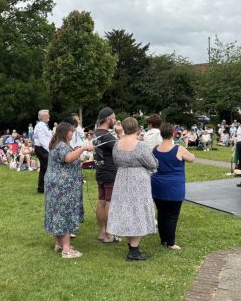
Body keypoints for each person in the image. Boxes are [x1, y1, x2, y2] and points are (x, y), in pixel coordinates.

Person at [107, 117, 158, 261]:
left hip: (122, 178)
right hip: (137, 180)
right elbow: (152, 164)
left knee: (127, 210)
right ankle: (134, 251)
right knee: (137, 211)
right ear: (136, 128)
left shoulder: (117, 144)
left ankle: (132, 246)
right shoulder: (140, 145)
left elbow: (116, 161)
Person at [44, 122, 94, 258]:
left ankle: (59, 243)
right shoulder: (61, 145)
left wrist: (77, 150)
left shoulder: (57, 144)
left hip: (55, 184)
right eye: (71, 131)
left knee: (56, 212)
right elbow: (68, 158)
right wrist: (83, 148)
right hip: (63, 186)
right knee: (65, 212)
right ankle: (66, 250)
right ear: (65, 132)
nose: (72, 133)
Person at [151, 123, 195, 250]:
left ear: (161, 134)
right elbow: (192, 158)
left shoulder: (155, 149)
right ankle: (170, 243)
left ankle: (163, 239)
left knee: (161, 212)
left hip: (157, 184)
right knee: (172, 214)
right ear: (173, 134)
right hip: (173, 186)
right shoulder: (178, 149)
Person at [93, 107, 120, 244]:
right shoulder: (107, 136)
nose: (115, 120)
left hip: (100, 171)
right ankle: (109, 235)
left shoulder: (96, 133)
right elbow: (120, 149)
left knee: (101, 201)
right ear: (108, 119)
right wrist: (120, 134)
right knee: (109, 202)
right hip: (110, 172)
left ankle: (101, 232)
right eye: (114, 117)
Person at [33, 109, 52, 194]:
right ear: (43, 116)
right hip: (42, 148)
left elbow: (48, 136)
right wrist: (49, 150)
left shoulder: (43, 125)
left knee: (44, 168)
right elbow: (42, 140)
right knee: (46, 168)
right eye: (48, 115)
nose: (49, 116)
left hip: (42, 148)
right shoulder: (40, 125)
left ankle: (43, 188)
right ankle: (42, 188)